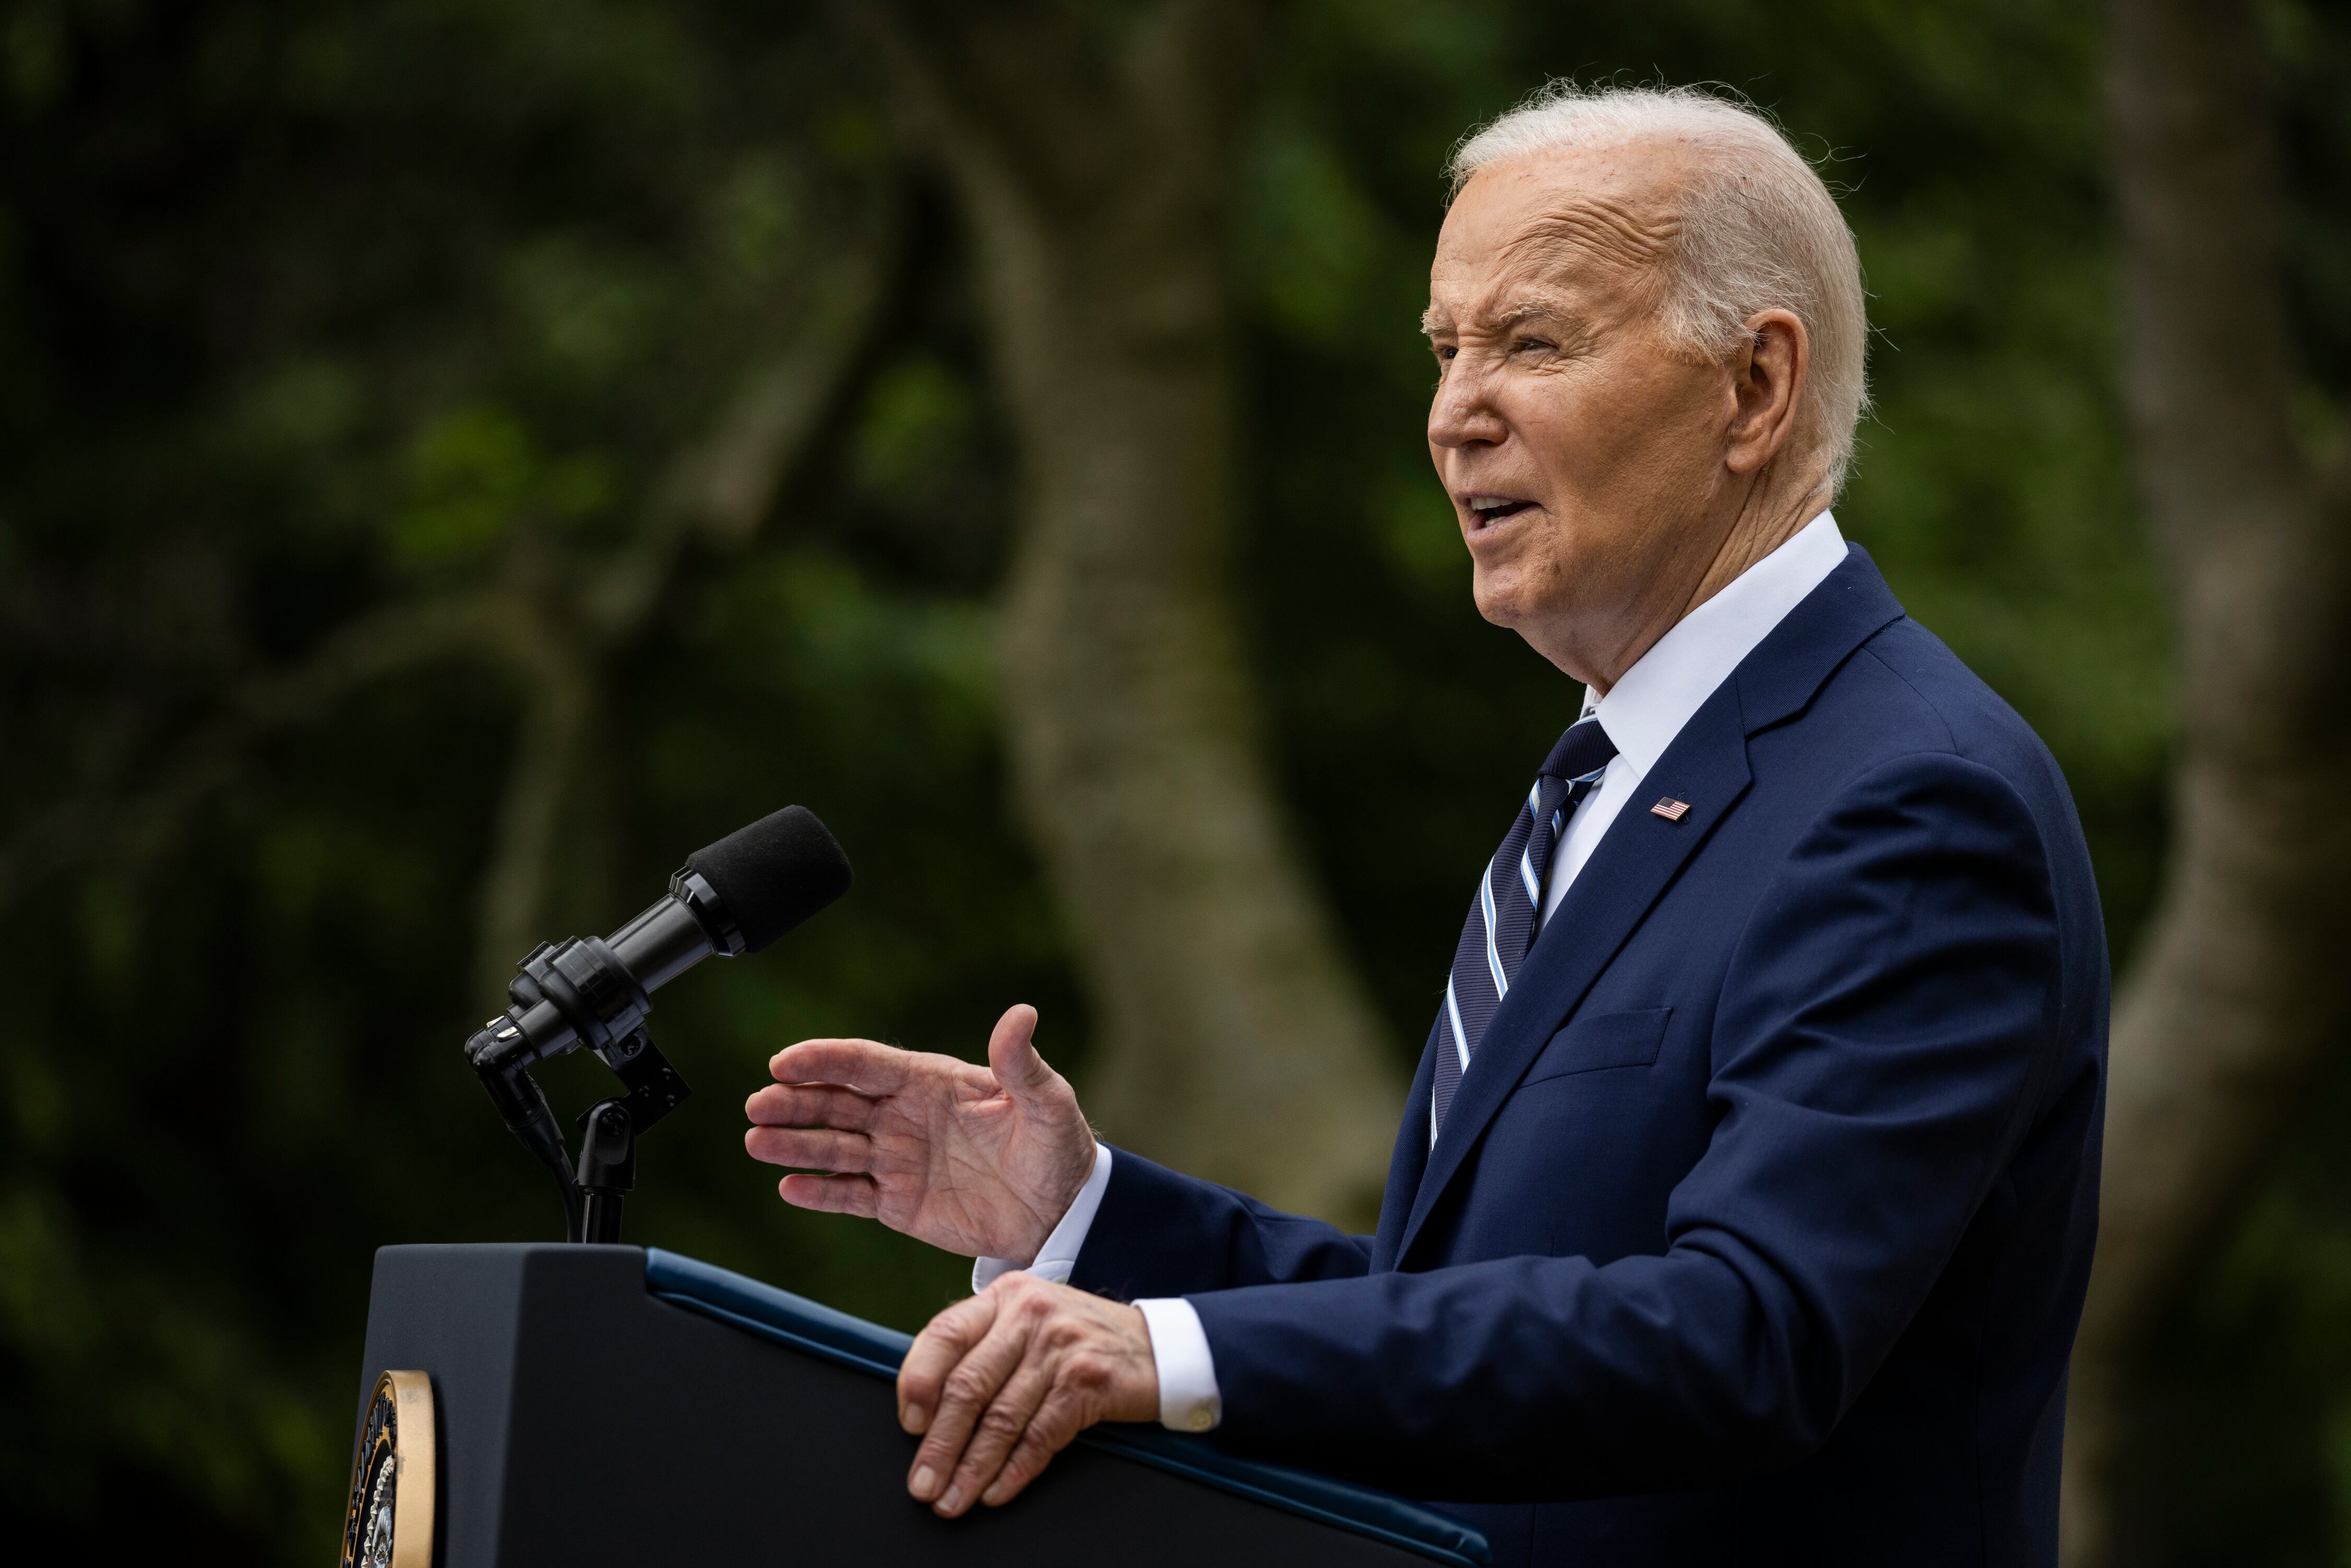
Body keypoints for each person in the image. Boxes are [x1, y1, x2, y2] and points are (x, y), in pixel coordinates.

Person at [744, 82, 2105, 1567]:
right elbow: (1466, 1298)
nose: (1457, 410)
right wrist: (1093, 1224)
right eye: (1446, 349)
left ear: (1753, 388)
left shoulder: (1906, 796)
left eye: (1531, 341)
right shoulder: (1611, 775)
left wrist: (1166, 1351)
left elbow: (1745, 1331)